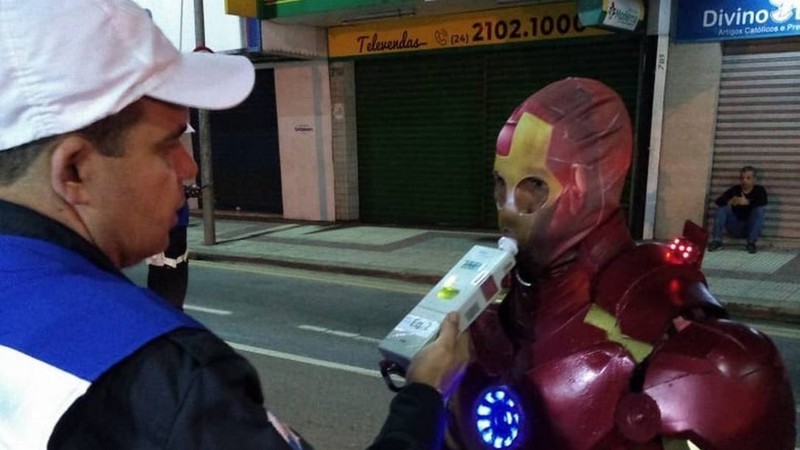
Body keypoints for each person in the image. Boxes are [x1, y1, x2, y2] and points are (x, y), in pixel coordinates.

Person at [0, 1, 469, 449]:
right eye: (167, 147)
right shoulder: (166, 379)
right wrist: (425, 394)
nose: (191, 170)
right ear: (75, 171)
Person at [443, 78, 795, 449]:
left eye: (533, 188)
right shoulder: (486, 325)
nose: (508, 210)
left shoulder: (690, 350)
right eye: (500, 185)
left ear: (585, 186)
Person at [146, 184, 202, 309]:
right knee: (164, 273)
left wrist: (186, 191)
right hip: (165, 228)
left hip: (178, 227)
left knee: (178, 269)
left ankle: (173, 310)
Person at [708, 165, 768, 254]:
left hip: (750, 227)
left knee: (759, 210)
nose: (744, 181)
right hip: (735, 226)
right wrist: (730, 201)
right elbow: (718, 201)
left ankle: (751, 243)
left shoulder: (759, 190)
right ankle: (717, 241)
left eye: (748, 178)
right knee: (722, 209)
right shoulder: (735, 190)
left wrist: (747, 202)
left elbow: (763, 202)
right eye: (742, 178)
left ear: (754, 179)